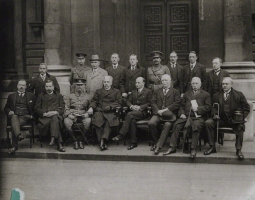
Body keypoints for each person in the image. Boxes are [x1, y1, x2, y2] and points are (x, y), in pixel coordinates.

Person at [163, 77, 211, 158]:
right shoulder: (187, 94)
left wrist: (198, 109)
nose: (194, 85)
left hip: (198, 118)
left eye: (196, 83)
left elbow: (208, 107)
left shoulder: (206, 94)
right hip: (186, 117)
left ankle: (193, 148)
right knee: (177, 125)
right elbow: (181, 106)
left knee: (195, 126)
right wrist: (181, 113)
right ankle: (172, 147)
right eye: (193, 83)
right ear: (191, 84)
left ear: (200, 84)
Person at [204, 77, 250, 159]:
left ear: (231, 84)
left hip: (234, 120)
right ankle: (212, 146)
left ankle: (238, 149)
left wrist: (241, 117)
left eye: (226, 84)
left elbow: (246, 108)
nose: (224, 85)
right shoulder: (216, 95)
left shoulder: (239, 95)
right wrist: (214, 114)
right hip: (220, 119)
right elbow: (213, 107)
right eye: (223, 84)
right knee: (208, 123)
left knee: (240, 126)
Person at [112, 77, 152, 150]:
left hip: (143, 113)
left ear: (143, 83)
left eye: (138, 83)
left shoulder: (148, 91)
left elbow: (150, 103)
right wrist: (131, 106)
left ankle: (121, 134)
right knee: (132, 120)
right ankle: (134, 142)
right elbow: (127, 101)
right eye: (136, 82)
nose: (136, 84)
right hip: (133, 112)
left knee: (129, 114)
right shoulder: (133, 92)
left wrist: (140, 107)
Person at [148, 74, 181, 155]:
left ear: (170, 81)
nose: (164, 82)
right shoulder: (157, 91)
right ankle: (156, 142)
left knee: (167, 125)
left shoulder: (175, 91)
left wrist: (166, 109)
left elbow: (177, 103)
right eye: (163, 80)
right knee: (151, 123)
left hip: (170, 115)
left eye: (166, 80)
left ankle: (158, 147)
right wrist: (157, 110)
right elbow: (152, 102)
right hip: (158, 113)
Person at [87, 76, 122, 151]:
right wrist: (91, 107)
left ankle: (103, 140)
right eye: (105, 82)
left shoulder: (116, 91)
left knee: (108, 122)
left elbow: (119, 102)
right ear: (103, 83)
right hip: (100, 111)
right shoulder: (98, 91)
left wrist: (110, 107)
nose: (106, 84)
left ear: (111, 83)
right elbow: (94, 101)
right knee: (97, 122)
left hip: (110, 112)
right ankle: (103, 142)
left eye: (108, 82)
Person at [4, 80, 36, 154]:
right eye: (20, 85)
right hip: (15, 116)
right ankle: (18, 136)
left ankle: (15, 145)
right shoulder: (11, 96)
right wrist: (9, 111)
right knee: (14, 118)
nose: (21, 87)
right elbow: (6, 108)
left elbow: (36, 108)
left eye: (23, 85)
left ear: (26, 86)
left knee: (14, 123)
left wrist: (32, 115)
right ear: (17, 86)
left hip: (26, 117)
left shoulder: (31, 96)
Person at [35, 80, 66, 152]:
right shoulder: (41, 96)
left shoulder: (58, 95)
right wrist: (44, 113)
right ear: (45, 87)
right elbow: (37, 108)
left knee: (55, 118)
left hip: (56, 116)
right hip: (45, 118)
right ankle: (58, 143)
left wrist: (56, 112)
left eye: (50, 86)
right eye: (47, 86)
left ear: (53, 87)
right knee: (55, 121)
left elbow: (62, 107)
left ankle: (53, 138)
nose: (48, 88)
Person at [63, 79, 91, 150]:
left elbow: (91, 107)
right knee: (66, 122)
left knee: (88, 121)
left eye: (81, 85)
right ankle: (74, 141)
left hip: (83, 114)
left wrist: (87, 114)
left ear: (84, 86)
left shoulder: (88, 96)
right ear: (74, 86)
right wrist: (69, 114)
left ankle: (81, 141)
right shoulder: (70, 96)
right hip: (72, 114)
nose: (79, 87)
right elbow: (66, 107)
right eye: (77, 85)